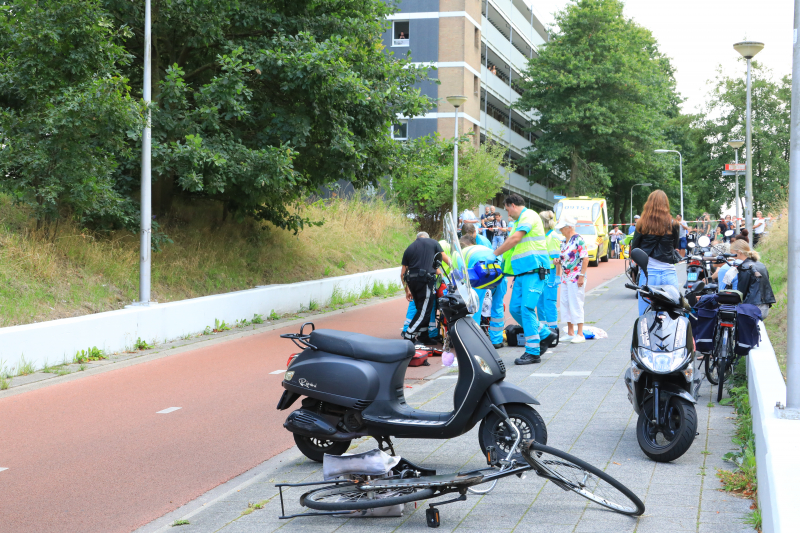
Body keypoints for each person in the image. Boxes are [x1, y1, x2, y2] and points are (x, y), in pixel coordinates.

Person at [493, 194, 555, 365]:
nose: (507, 214)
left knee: (526, 308)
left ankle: (533, 352)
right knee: (515, 309)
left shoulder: (529, 216)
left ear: (513, 205)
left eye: (507, 209)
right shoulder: (518, 222)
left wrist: (494, 253)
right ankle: (545, 334)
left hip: (535, 270)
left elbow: (515, 239)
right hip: (522, 272)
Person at [630, 190, 681, 316]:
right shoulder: (674, 224)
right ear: (666, 204)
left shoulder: (641, 224)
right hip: (669, 273)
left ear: (649, 204)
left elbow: (635, 248)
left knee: (645, 316)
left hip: (649, 274)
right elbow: (675, 246)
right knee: (673, 315)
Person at [459, 229, 507, 349]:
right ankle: (496, 340)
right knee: (498, 305)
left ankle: (474, 341)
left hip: (480, 275)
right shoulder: (484, 248)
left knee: (475, 306)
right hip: (499, 272)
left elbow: (459, 274)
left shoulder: (462, 253)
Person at [401, 232, 451, 341]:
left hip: (412, 282)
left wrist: (407, 290)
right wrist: (457, 270)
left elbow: (403, 274)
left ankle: (424, 336)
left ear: (417, 239)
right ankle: (408, 335)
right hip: (425, 281)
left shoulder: (410, 248)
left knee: (422, 309)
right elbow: (446, 260)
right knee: (424, 312)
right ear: (427, 238)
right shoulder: (433, 243)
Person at [555, 216, 588, 343]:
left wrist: (582, 275)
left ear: (569, 227)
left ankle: (580, 333)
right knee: (565, 302)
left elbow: (585, 258)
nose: (560, 231)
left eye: (562, 228)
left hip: (576, 277)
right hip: (565, 277)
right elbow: (563, 258)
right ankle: (570, 332)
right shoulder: (564, 242)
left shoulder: (578, 239)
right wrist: (558, 261)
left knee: (576, 303)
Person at [732, 239, 776, 318]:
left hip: (752, 307)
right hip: (764, 305)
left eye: (732, 254)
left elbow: (741, 292)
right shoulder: (761, 265)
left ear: (739, 252)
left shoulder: (744, 267)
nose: (733, 257)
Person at [537, 211, 561, 343]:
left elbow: (557, 260)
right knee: (540, 303)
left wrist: (557, 276)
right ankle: (544, 331)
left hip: (550, 273)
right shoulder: (543, 235)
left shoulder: (553, 237)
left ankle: (553, 331)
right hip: (542, 272)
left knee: (549, 303)